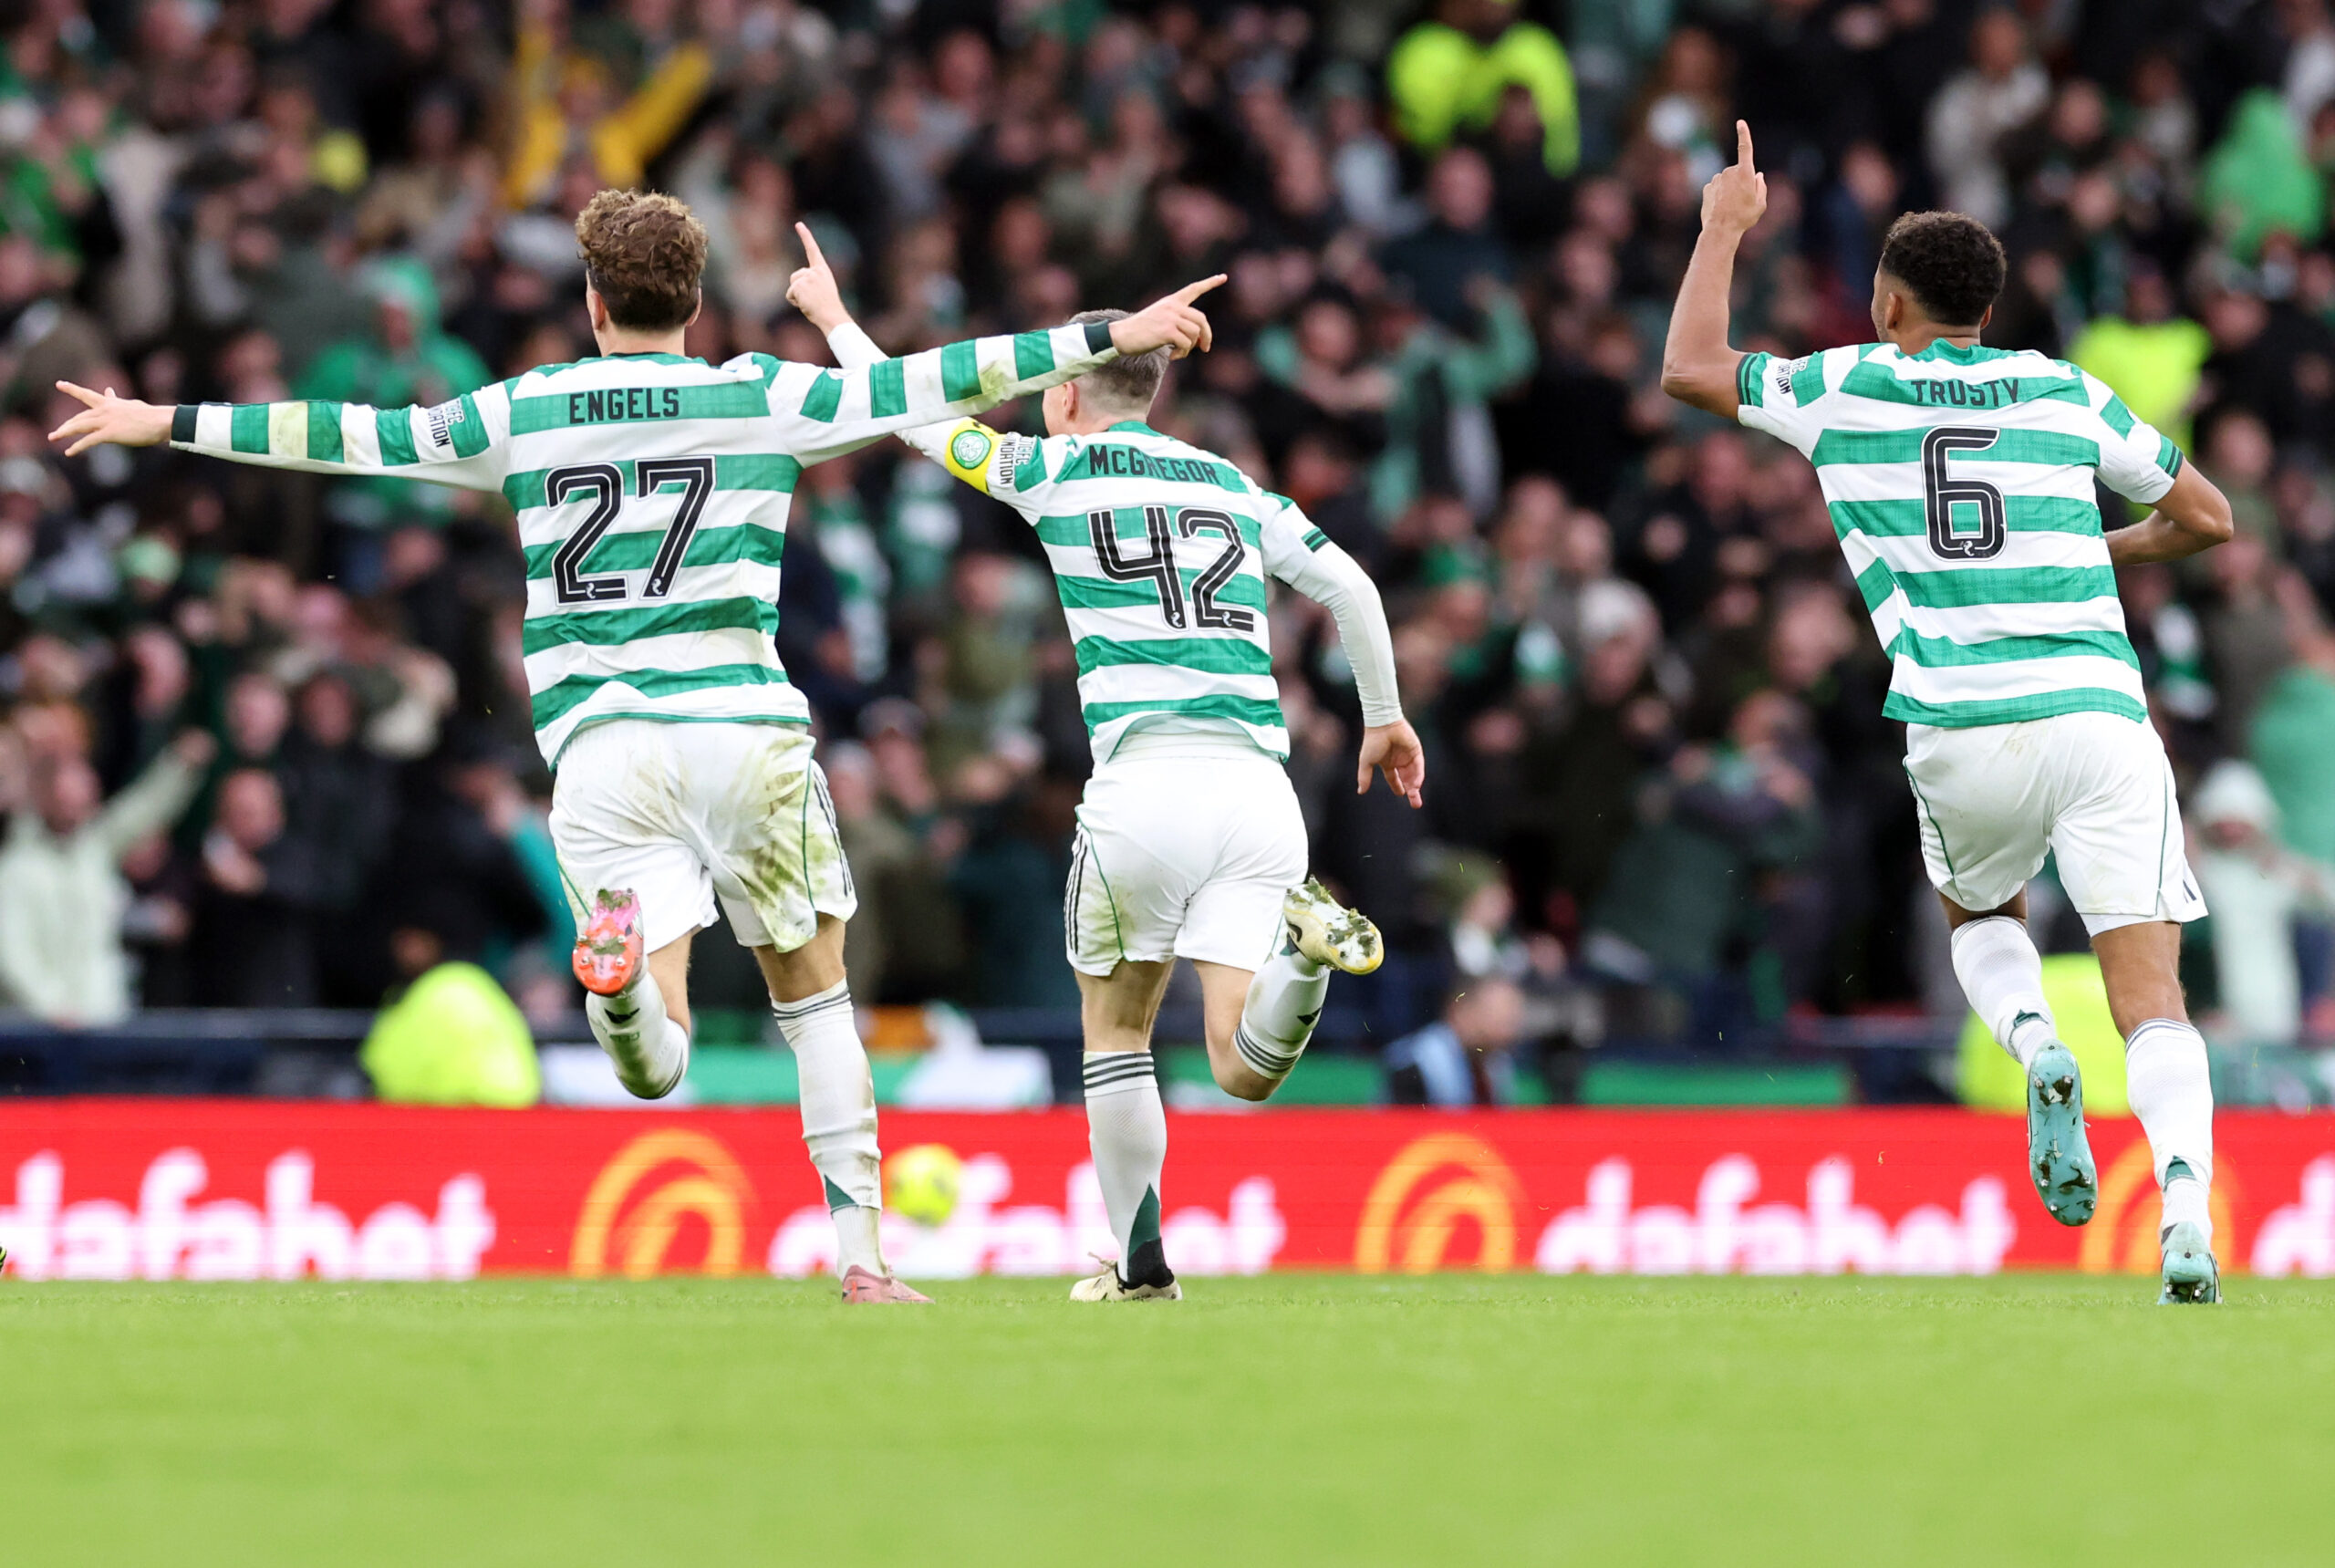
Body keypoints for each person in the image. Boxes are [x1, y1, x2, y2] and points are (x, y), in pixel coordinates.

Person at [47, 187, 1223, 1306]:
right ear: (696, 305)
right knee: (815, 1002)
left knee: (653, 1058)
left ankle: (621, 1001)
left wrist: (163, 422)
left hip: (606, 747)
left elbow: (349, 432)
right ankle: (862, 1259)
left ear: (595, 305)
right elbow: (942, 377)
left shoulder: (521, 410)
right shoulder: (762, 394)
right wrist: (1109, 334)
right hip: (744, 734)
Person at [791, 224, 1425, 1303]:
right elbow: (1353, 590)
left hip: (1144, 786)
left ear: (1070, 391)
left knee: (1117, 1026)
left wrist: (834, 321)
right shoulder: (1232, 484)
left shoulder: (1048, 468)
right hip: (1257, 790)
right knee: (1240, 1064)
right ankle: (1308, 956)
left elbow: (905, 415)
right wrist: (1383, 717)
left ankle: (1139, 1266)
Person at [1660, 124, 2237, 1305]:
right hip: (2098, 715)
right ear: (1989, 305)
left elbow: (1691, 366)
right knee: (2155, 997)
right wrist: (2087, 546)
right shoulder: (2063, 389)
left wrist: (1724, 222)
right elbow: (2211, 517)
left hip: (1963, 724)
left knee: (1979, 908)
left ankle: (2036, 1048)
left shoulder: (1846, 384)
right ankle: (2184, 1211)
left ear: (1885, 301)